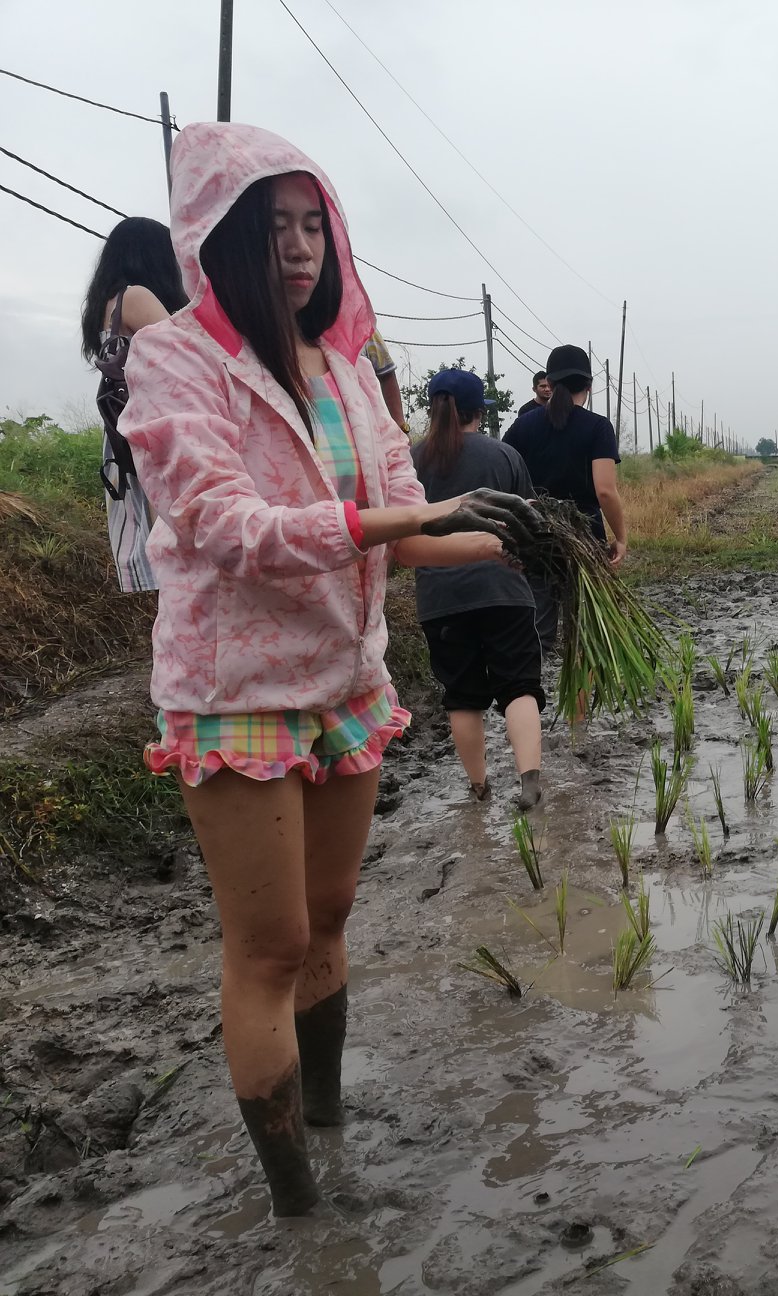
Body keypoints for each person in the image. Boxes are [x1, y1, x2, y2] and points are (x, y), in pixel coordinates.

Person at [120, 122, 543, 1217]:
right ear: (218, 238)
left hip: (348, 681)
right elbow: (226, 526)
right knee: (269, 945)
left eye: (314, 225)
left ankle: (328, 1116)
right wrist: (400, 511)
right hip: (237, 691)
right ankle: (298, 1200)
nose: (301, 249)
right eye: (274, 228)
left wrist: (514, 535)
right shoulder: (177, 361)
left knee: (333, 914)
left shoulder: (349, 373)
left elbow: (410, 535)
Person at [413, 367, 546, 810]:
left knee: (462, 697)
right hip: (503, 590)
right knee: (519, 687)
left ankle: (479, 789)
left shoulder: (411, 461)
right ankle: (530, 783)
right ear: (477, 412)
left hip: (440, 599)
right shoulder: (504, 455)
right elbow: (530, 525)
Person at [79, 216, 190, 592]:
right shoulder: (137, 297)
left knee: (168, 565)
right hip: (161, 434)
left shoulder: (107, 304)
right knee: (183, 562)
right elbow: (193, 355)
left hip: (128, 437)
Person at [503, 345, 628, 645]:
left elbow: (505, 479)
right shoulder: (598, 427)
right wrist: (621, 537)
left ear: (551, 383)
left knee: (538, 634)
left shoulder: (523, 425)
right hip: (585, 539)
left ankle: (533, 690)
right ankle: (579, 693)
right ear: (588, 385)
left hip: (535, 538)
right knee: (588, 633)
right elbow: (605, 491)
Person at [361, 330, 410, 432]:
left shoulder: (364, 329)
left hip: (365, 428)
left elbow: (387, 376)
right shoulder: (318, 334)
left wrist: (401, 428)